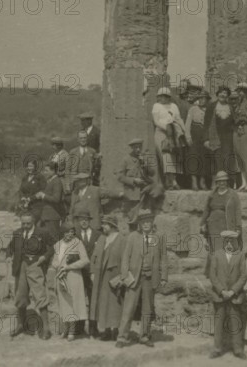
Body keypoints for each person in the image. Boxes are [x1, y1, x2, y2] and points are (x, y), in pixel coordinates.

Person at [116, 209, 168, 348]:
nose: (146, 224)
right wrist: (124, 275)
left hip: (150, 278)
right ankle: (122, 337)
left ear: (152, 223)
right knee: (129, 308)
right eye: (143, 222)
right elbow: (125, 257)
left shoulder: (159, 237)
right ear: (140, 223)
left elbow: (163, 258)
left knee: (147, 309)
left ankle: (144, 336)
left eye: (148, 222)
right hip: (134, 277)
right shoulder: (133, 237)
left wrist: (163, 277)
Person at [7, 212, 54, 340]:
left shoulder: (42, 233)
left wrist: (45, 257)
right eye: (23, 223)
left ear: (33, 221)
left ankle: (46, 328)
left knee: (40, 295)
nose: (26, 226)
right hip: (20, 267)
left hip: (35, 266)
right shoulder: (17, 233)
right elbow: (10, 247)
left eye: (28, 223)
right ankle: (21, 325)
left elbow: (52, 247)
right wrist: (8, 256)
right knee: (20, 296)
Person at [208, 230, 247, 359]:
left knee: (236, 323)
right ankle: (217, 348)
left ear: (236, 242)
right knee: (218, 323)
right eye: (227, 241)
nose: (229, 244)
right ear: (223, 242)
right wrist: (222, 291)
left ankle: (238, 349)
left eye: (232, 241)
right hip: (220, 296)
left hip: (234, 296)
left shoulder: (240, 255)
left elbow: (243, 276)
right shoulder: (216, 255)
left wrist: (232, 291)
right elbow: (212, 276)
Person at [52, 221, 90, 341]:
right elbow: (54, 260)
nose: (70, 234)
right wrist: (56, 265)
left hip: (74, 277)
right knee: (63, 303)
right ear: (62, 233)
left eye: (72, 232)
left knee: (72, 303)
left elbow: (85, 261)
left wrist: (69, 267)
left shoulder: (78, 243)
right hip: (61, 277)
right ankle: (65, 328)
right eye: (67, 232)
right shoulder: (58, 245)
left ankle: (72, 331)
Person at [89, 215, 125, 341]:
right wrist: (92, 272)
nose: (102, 226)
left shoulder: (121, 239)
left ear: (112, 226)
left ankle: (115, 330)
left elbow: (125, 260)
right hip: (100, 276)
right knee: (103, 304)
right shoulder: (101, 238)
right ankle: (106, 330)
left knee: (114, 304)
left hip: (113, 276)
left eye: (105, 224)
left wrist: (122, 277)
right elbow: (94, 257)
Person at [200, 171, 243, 274]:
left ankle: (226, 274)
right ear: (216, 182)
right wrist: (202, 223)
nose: (222, 183)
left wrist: (238, 227)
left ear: (227, 182)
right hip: (213, 225)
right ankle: (215, 273)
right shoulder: (212, 194)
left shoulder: (232, 194)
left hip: (227, 225)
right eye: (219, 181)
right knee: (215, 249)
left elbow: (237, 210)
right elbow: (206, 209)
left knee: (226, 249)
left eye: (223, 181)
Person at [117, 138, 165, 217]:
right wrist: (134, 180)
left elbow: (152, 173)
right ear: (132, 148)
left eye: (140, 147)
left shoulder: (145, 158)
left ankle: (153, 208)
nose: (138, 149)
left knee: (159, 188)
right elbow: (119, 177)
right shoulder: (126, 159)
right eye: (136, 147)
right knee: (133, 216)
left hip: (145, 186)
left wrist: (145, 164)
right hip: (133, 189)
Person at [152, 87, 187, 190]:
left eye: (166, 96)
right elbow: (156, 121)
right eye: (161, 96)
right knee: (165, 156)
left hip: (174, 132)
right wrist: (166, 128)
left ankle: (174, 180)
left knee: (175, 155)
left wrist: (184, 130)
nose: (163, 98)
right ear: (158, 97)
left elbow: (178, 119)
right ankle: (170, 181)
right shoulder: (156, 106)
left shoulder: (173, 106)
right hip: (161, 133)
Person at [204, 86, 239, 186]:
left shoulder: (230, 107)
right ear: (217, 94)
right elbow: (206, 123)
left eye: (225, 93)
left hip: (228, 138)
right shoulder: (211, 106)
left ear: (227, 96)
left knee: (228, 160)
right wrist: (206, 139)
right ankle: (215, 185)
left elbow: (234, 122)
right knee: (216, 160)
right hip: (215, 137)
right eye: (221, 93)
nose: (223, 95)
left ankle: (228, 185)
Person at [75, 211, 101, 336]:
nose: (84, 222)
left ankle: (93, 328)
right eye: (81, 219)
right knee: (79, 299)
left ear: (90, 221)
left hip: (92, 272)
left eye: (86, 219)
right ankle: (79, 328)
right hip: (79, 272)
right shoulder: (74, 235)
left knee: (93, 299)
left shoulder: (98, 234)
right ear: (79, 221)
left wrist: (95, 270)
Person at [185, 90, 212, 190]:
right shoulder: (193, 109)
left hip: (205, 135)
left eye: (203, 98)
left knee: (204, 157)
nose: (201, 100)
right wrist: (188, 136)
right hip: (194, 135)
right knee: (193, 157)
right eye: (199, 98)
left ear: (207, 99)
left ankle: (202, 181)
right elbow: (187, 124)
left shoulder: (209, 110)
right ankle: (194, 182)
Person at [35, 162, 64, 242]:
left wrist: (43, 196)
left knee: (54, 239)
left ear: (53, 171)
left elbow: (56, 199)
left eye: (46, 171)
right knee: (47, 239)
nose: (44, 173)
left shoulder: (57, 181)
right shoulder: (50, 181)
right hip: (47, 216)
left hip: (52, 216)